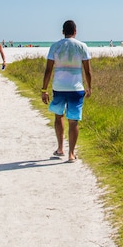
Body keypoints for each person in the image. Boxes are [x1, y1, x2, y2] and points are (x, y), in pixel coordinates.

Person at [41, 20, 92, 162]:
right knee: (73, 121)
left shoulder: (55, 46)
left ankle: (60, 148)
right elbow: (87, 71)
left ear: (63, 32)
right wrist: (89, 86)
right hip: (76, 88)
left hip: (59, 87)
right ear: (75, 31)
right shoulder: (82, 46)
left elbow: (48, 70)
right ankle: (71, 154)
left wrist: (44, 89)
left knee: (58, 117)